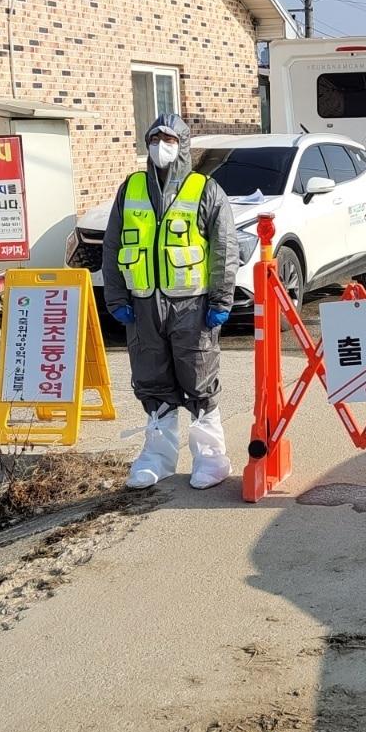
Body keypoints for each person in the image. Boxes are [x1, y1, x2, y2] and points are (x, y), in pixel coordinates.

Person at [102, 113, 238, 490]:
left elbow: (225, 249)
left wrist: (221, 299)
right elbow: (113, 245)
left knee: (199, 378)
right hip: (142, 305)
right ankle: (157, 458)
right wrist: (115, 297)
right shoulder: (130, 189)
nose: (161, 146)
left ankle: (211, 459)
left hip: (192, 307)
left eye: (169, 139)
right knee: (151, 380)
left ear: (183, 144)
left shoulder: (203, 189)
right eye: (155, 137)